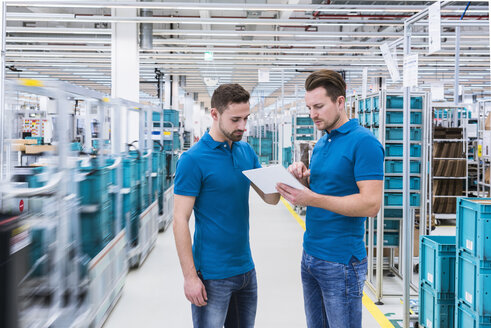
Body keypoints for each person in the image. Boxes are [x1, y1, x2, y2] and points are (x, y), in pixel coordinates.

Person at [276, 70, 384, 328]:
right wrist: (301, 178)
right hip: (311, 255)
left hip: (341, 262)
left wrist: (311, 198)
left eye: (319, 106)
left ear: (340, 102)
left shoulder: (364, 143)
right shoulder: (323, 142)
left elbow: (371, 204)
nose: (313, 114)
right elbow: (327, 188)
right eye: (309, 107)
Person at [173, 83, 280, 328]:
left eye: (246, 118)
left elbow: (270, 198)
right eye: (235, 120)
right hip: (211, 275)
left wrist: (291, 181)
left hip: (245, 270)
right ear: (215, 114)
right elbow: (180, 220)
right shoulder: (192, 160)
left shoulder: (246, 152)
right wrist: (190, 277)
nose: (242, 126)